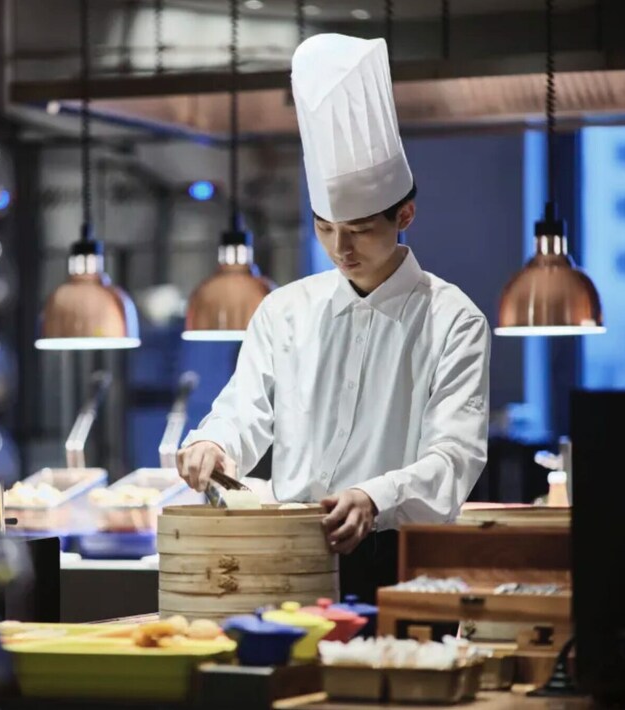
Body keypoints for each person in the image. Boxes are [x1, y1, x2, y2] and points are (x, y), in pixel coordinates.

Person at [176, 33, 491, 603]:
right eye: (325, 229)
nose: (341, 248)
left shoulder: (454, 320)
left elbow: (454, 457)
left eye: (361, 230)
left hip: (398, 561)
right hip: (286, 555)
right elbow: (244, 409)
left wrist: (374, 496)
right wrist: (215, 444)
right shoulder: (285, 311)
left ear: (405, 215)